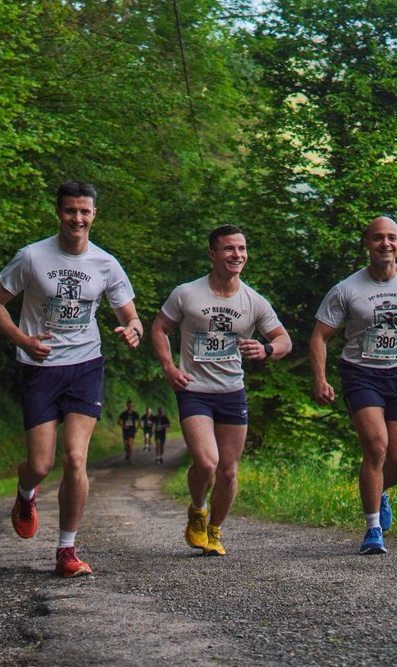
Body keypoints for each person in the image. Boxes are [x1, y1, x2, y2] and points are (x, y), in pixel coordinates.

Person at [0, 181, 143, 578]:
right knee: (40, 464)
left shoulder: (106, 264)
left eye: (85, 211)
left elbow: (131, 316)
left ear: (94, 215)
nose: (78, 218)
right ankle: (26, 494)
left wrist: (134, 329)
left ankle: (66, 549)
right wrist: (22, 339)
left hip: (86, 364)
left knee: (75, 458)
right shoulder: (32, 257)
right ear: (59, 212)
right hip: (39, 367)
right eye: (71, 210)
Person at [310, 216, 397, 555]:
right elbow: (320, 335)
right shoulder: (347, 289)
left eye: (392, 238)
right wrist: (320, 378)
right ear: (367, 244)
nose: (385, 244)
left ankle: (378, 490)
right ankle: (373, 529)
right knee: (376, 447)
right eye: (378, 238)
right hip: (360, 373)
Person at [150, 225, 291, 556]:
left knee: (228, 471)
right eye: (229, 249)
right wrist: (170, 368)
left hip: (232, 391)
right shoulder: (187, 293)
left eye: (241, 249)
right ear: (212, 254)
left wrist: (267, 350)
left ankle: (214, 530)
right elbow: (159, 328)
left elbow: (284, 340)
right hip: (194, 389)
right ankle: (198, 510)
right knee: (208, 462)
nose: (237, 255)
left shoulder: (253, 301)